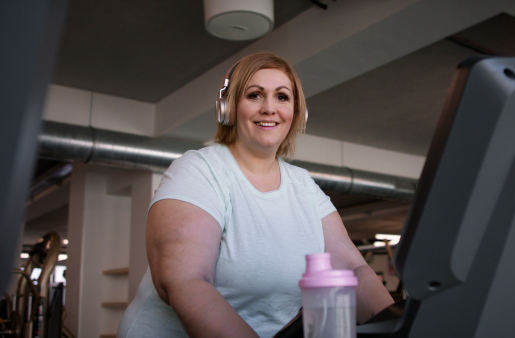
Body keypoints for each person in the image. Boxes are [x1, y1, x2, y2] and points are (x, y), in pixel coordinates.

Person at [117, 52, 394, 337]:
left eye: (282, 97)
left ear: (297, 113)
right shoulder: (200, 170)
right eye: (254, 95)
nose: (269, 108)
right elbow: (186, 281)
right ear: (228, 108)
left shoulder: (304, 186)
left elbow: (352, 269)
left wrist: (401, 325)